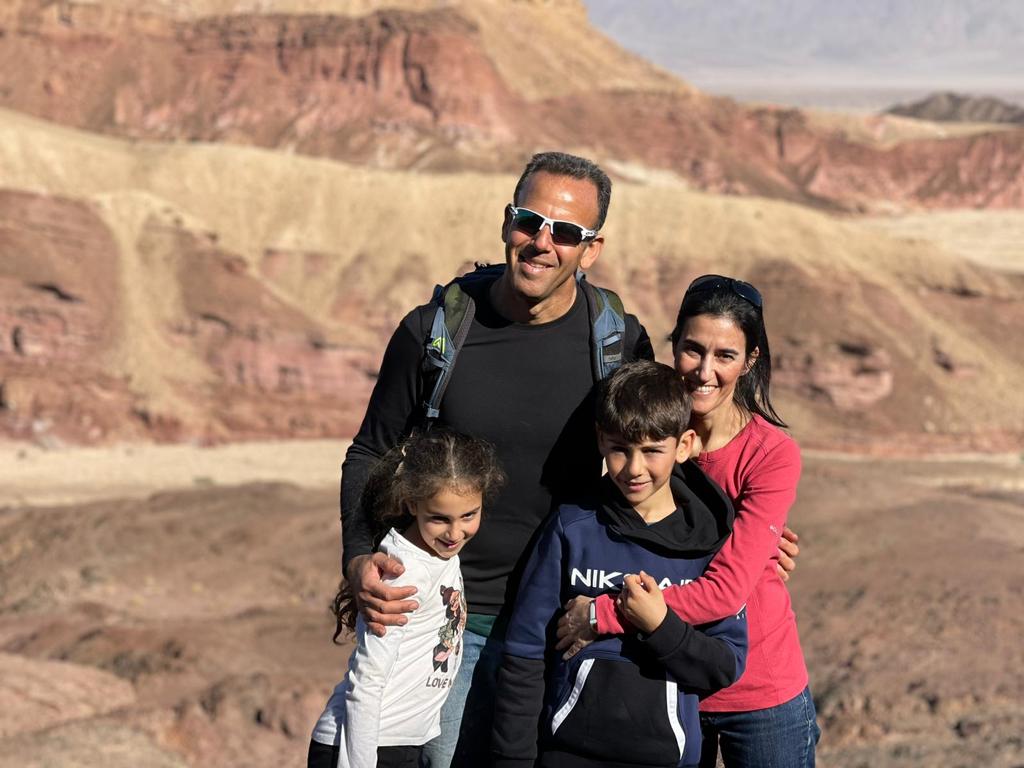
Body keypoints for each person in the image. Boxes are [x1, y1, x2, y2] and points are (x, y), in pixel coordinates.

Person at [339, 151, 655, 766]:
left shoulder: (617, 342)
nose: (541, 243)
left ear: (590, 250)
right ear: (506, 222)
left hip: (565, 620)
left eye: (565, 233)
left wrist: (748, 533)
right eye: (528, 221)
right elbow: (369, 451)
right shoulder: (434, 333)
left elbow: (660, 454)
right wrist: (357, 558)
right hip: (444, 616)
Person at [557, 275, 820, 767]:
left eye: (726, 355)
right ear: (672, 345)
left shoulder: (771, 455)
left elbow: (726, 591)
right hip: (663, 682)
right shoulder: (644, 434)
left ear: (751, 360)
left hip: (759, 693)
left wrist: (603, 613)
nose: (704, 371)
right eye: (692, 350)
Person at [491, 360, 748, 768]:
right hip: (567, 755)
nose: (633, 468)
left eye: (652, 451)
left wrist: (660, 627)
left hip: (669, 759)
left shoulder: (708, 543)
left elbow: (724, 665)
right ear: (600, 441)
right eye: (619, 450)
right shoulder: (571, 527)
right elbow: (525, 653)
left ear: (684, 445)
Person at [309, 429, 505, 768]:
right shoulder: (403, 573)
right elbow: (365, 682)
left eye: (468, 516)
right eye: (440, 519)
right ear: (412, 503)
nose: (455, 533)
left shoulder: (440, 555)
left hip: (399, 744)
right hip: (364, 747)